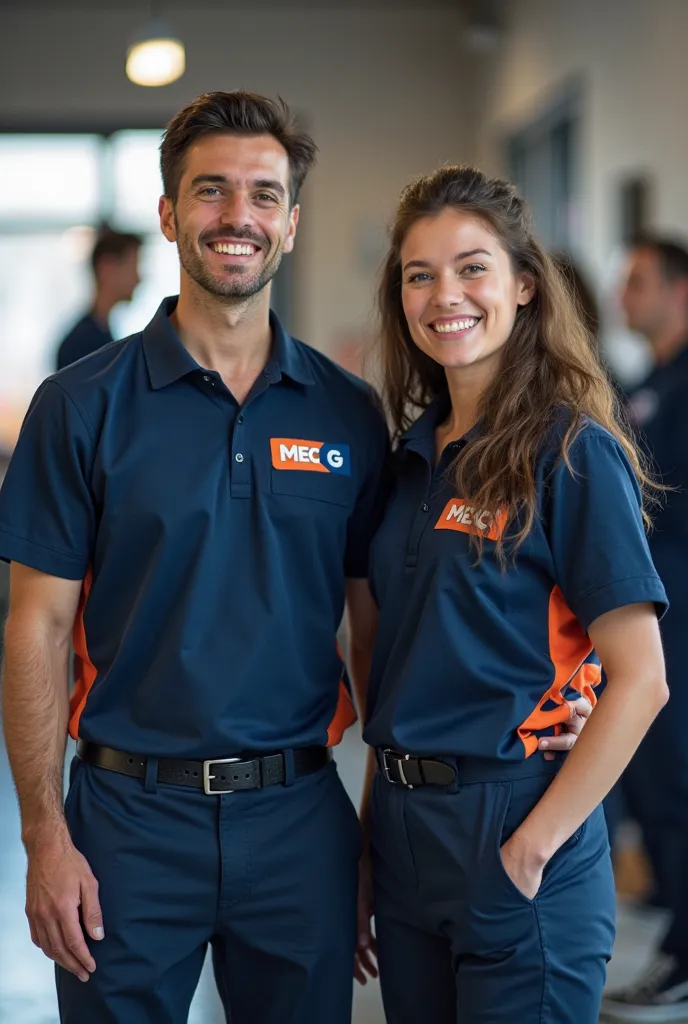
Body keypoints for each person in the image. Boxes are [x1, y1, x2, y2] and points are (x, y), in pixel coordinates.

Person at [0, 90, 392, 1024]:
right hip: (126, 823)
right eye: (210, 192)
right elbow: (37, 629)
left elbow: (375, 637)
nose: (237, 217)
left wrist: (373, 836)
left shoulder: (348, 413)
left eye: (263, 195)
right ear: (172, 214)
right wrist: (44, 838)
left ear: (291, 224)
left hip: (300, 819)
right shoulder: (81, 405)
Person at [355, 165, 669, 1024]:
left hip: (516, 820)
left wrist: (533, 847)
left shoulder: (571, 450)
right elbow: (392, 665)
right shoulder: (408, 460)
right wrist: (373, 837)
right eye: (420, 275)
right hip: (404, 826)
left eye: (471, 268)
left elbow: (640, 678)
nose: (443, 295)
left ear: (524, 285)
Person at [601, 236, 688, 1022]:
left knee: (676, 780)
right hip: (646, 612)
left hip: (680, 616)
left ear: (677, 288)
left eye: (636, 282)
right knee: (654, 781)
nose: (622, 295)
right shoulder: (645, 383)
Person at [55, 227, 142, 370]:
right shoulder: (82, 345)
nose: (138, 279)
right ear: (106, 269)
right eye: (132, 267)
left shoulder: (102, 336)